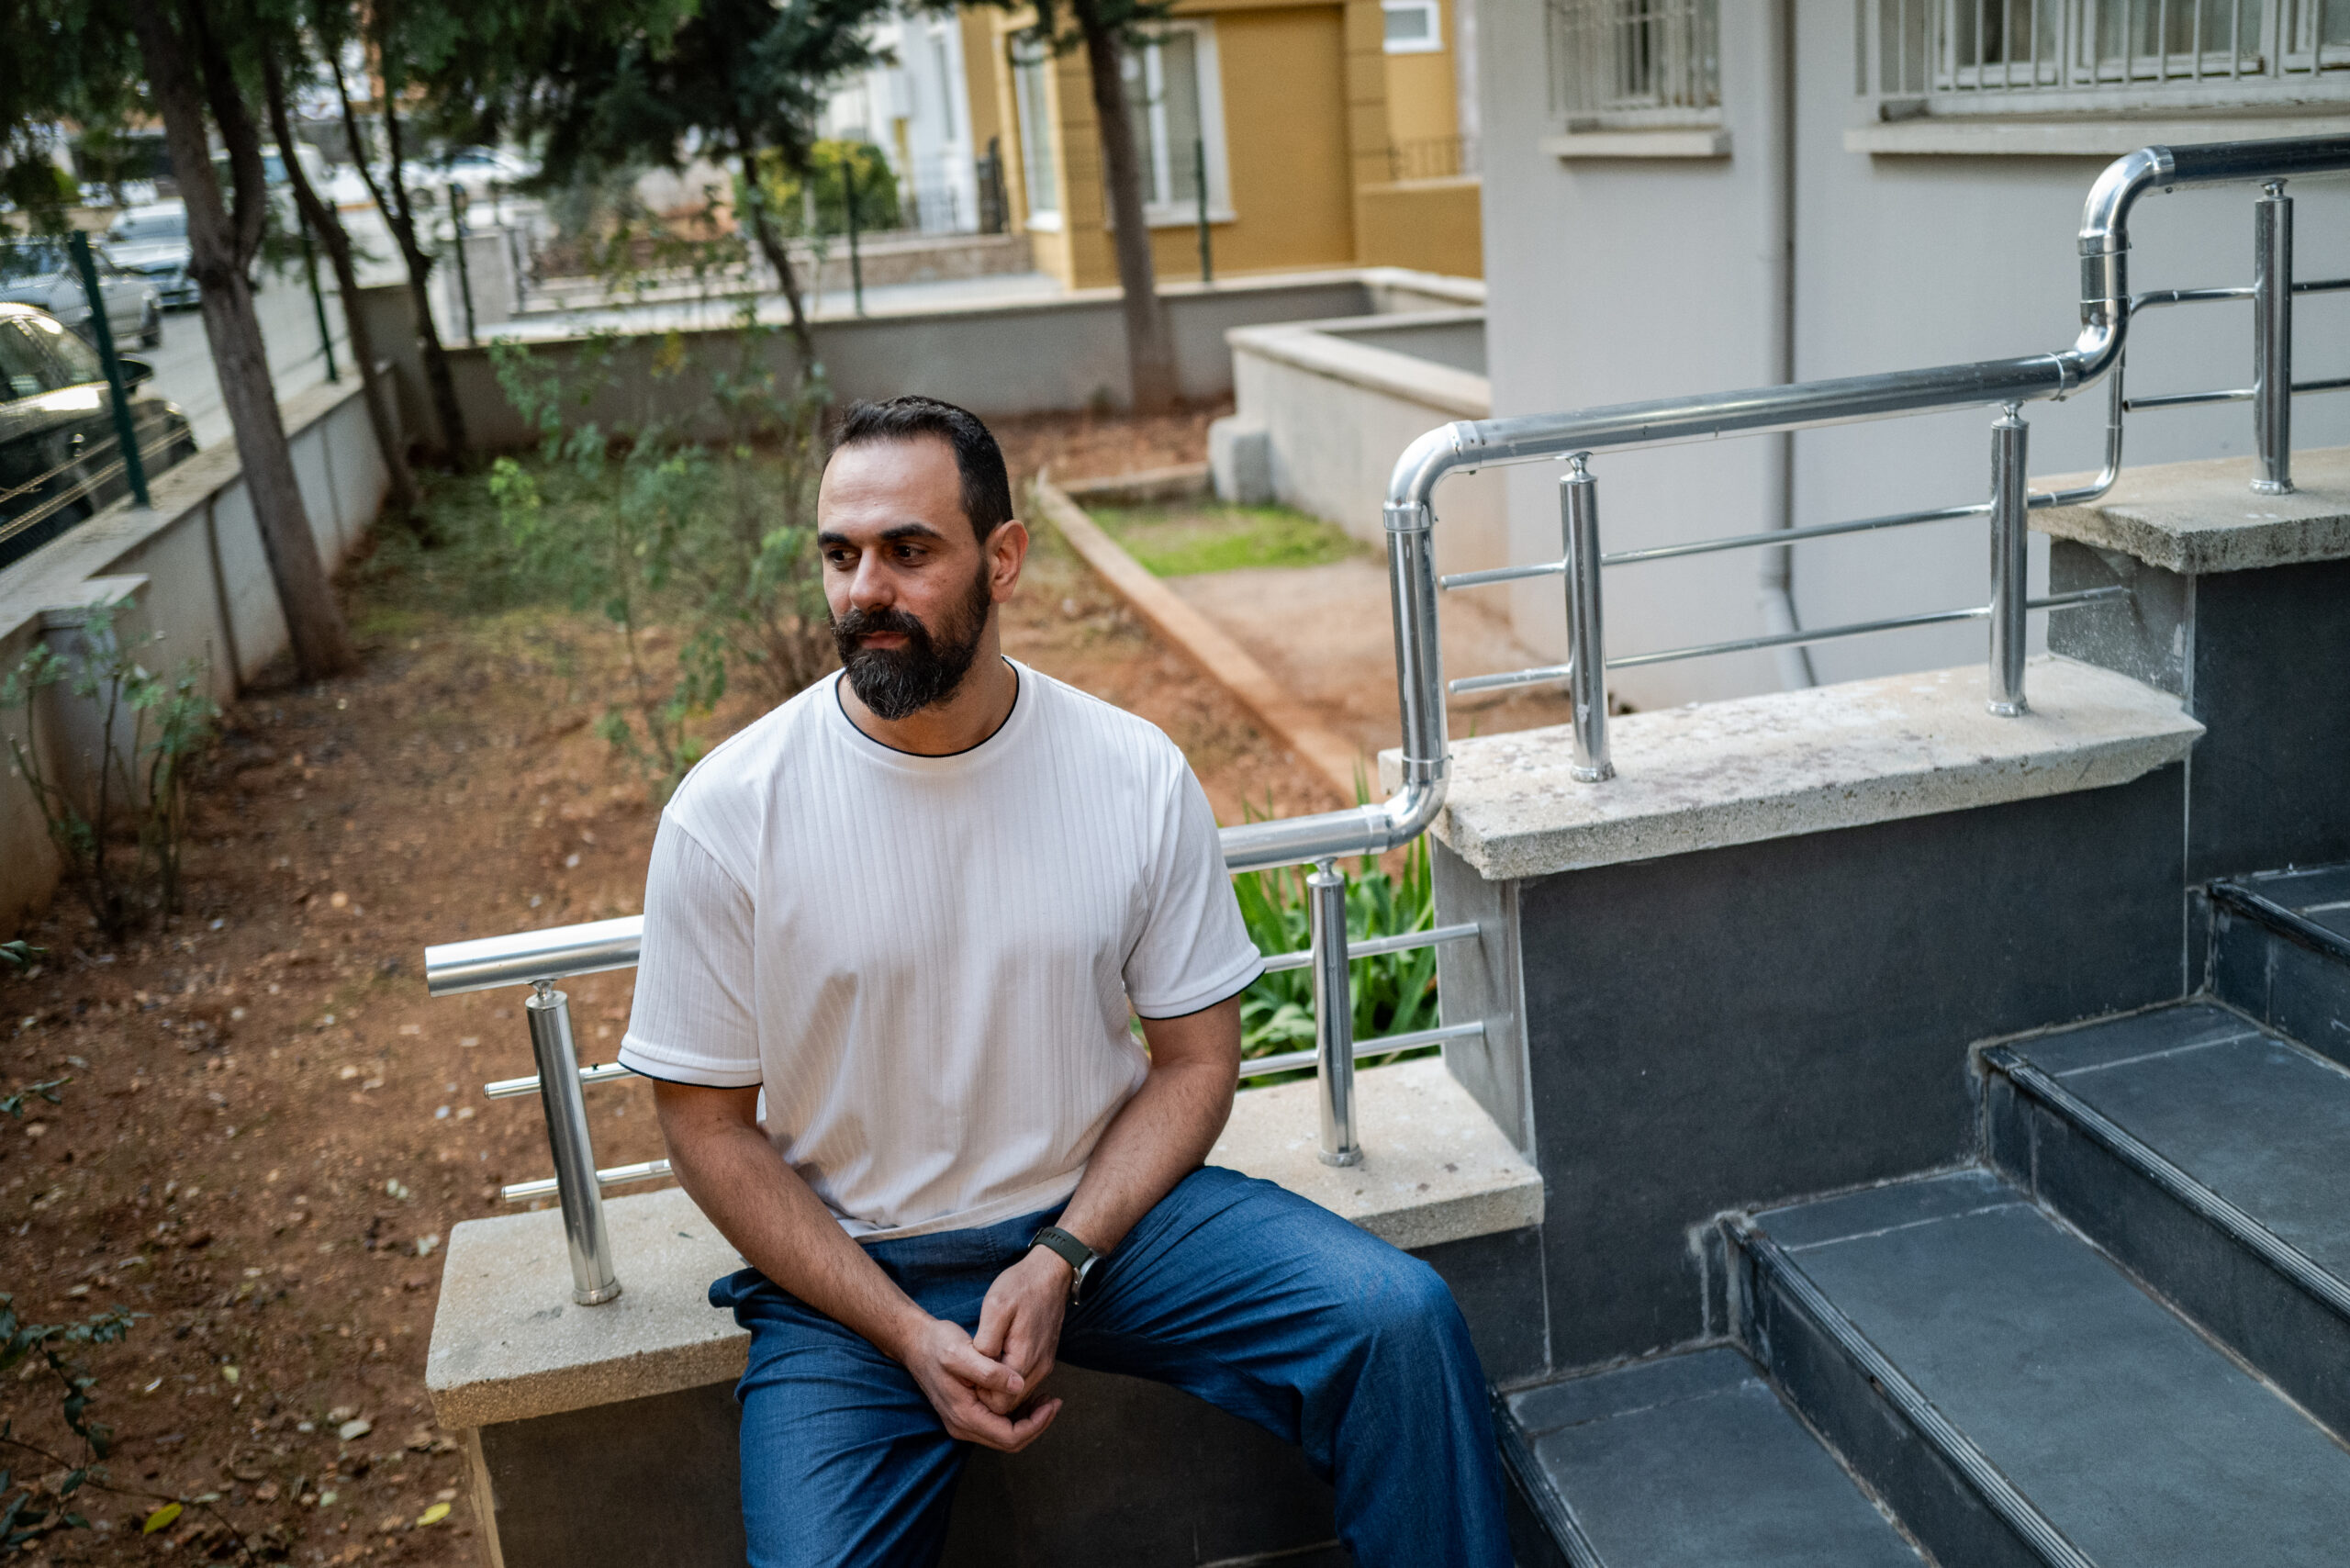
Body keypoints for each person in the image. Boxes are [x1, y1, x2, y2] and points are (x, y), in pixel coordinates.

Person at [619, 396, 1510, 1567]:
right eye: (840, 555)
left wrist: (1065, 1253)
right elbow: (704, 1127)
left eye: (908, 550)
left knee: (1399, 1322)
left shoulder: (1128, 770)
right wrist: (899, 1330)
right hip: (855, 1270)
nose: (863, 592)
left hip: (1111, 1230)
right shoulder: (730, 813)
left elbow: (1196, 1060)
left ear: (1004, 558)